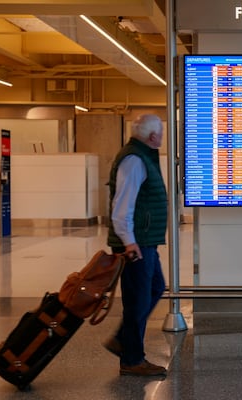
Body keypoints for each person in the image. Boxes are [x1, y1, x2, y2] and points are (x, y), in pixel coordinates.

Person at [104, 114, 168, 377]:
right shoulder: (134, 160)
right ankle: (132, 359)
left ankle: (123, 339)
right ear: (153, 136)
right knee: (138, 299)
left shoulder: (142, 156)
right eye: (161, 132)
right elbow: (122, 205)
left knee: (154, 288)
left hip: (144, 240)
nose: (163, 137)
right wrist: (128, 242)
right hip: (136, 243)